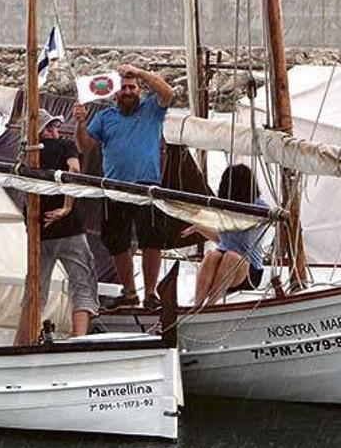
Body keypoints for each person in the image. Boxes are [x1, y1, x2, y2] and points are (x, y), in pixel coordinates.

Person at [73, 64, 174, 310]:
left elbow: (168, 93)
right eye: (124, 88)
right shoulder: (105, 117)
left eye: (132, 87)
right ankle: (130, 294)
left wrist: (138, 72)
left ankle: (150, 294)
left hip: (147, 186)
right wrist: (80, 123)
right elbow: (85, 147)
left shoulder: (151, 110)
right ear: (115, 93)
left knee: (152, 241)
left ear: (139, 90)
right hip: (115, 187)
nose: (128, 91)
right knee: (117, 242)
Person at [14, 109, 99, 345]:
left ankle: (22, 343)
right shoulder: (64, 146)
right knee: (82, 282)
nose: (56, 131)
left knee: (35, 289)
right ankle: (79, 340)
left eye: (55, 127)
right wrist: (67, 207)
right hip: (69, 229)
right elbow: (74, 172)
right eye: (50, 128)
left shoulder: (24, 155)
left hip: (39, 231)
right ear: (40, 131)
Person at [182, 164, 268, 306]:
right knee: (212, 255)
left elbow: (269, 220)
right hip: (223, 263)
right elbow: (222, 240)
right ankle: (197, 305)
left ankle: (210, 305)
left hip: (248, 271)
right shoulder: (223, 207)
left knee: (231, 256)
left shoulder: (259, 208)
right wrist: (198, 227)